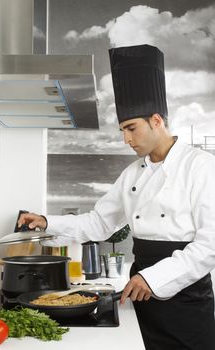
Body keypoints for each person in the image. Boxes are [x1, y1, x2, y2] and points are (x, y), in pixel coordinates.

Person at [18, 45, 215, 350]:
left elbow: (209, 246)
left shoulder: (201, 166)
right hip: (142, 297)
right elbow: (98, 223)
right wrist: (46, 221)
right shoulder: (133, 174)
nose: (126, 139)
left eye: (131, 128)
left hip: (185, 301)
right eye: (122, 130)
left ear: (157, 121)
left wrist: (153, 278)